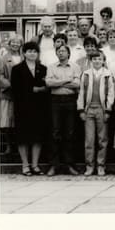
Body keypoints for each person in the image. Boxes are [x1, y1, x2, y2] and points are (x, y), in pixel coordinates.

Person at [11, 42, 50, 176]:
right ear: (24, 53)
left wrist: (41, 90)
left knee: (37, 136)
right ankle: (25, 165)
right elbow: (15, 89)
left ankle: (35, 165)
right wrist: (33, 90)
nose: (32, 53)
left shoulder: (44, 68)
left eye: (34, 51)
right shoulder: (17, 69)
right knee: (23, 137)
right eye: (29, 51)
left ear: (38, 53)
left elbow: (47, 86)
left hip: (39, 108)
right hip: (22, 107)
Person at [77, 51, 115, 176]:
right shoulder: (86, 74)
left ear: (103, 60)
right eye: (94, 59)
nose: (97, 61)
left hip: (101, 109)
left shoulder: (108, 75)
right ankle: (89, 165)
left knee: (102, 139)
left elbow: (110, 93)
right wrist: (81, 109)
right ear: (91, 61)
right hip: (89, 109)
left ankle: (101, 165)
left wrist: (108, 109)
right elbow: (81, 92)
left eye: (99, 59)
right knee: (89, 139)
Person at [45, 45, 82, 176]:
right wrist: (67, 80)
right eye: (58, 51)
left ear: (68, 53)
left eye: (63, 51)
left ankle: (69, 165)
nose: (61, 53)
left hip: (70, 100)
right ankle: (54, 165)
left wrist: (58, 82)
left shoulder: (75, 67)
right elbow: (49, 83)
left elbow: (77, 84)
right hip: (55, 100)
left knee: (70, 133)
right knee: (55, 132)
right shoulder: (51, 67)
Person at [0, 35, 24, 155]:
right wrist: (9, 84)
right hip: (9, 93)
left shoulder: (24, 57)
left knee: (20, 120)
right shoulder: (3, 58)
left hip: (23, 94)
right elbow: (0, 75)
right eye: (13, 42)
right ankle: (9, 146)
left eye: (18, 42)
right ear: (9, 44)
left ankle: (21, 146)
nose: (15, 44)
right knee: (8, 121)